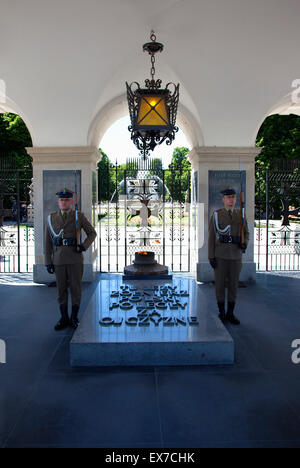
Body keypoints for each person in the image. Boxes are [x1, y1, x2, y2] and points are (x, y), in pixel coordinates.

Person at [44, 188, 97, 330]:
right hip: (59, 260)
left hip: (74, 258)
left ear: (72, 201)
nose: (64, 202)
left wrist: (84, 246)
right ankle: (64, 317)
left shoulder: (79, 216)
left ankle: (74, 317)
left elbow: (92, 233)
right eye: (61, 200)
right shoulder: (51, 218)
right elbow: (47, 242)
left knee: (76, 289)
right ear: (58, 202)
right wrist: (48, 262)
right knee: (61, 290)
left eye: (67, 200)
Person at [208, 186, 249, 325]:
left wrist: (245, 243)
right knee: (219, 285)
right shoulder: (216, 215)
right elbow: (211, 237)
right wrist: (211, 256)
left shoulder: (241, 215)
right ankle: (221, 312)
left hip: (236, 256)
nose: (231, 200)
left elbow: (246, 233)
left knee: (233, 285)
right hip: (220, 255)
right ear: (223, 199)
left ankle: (231, 313)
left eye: (233, 197)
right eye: (228, 198)